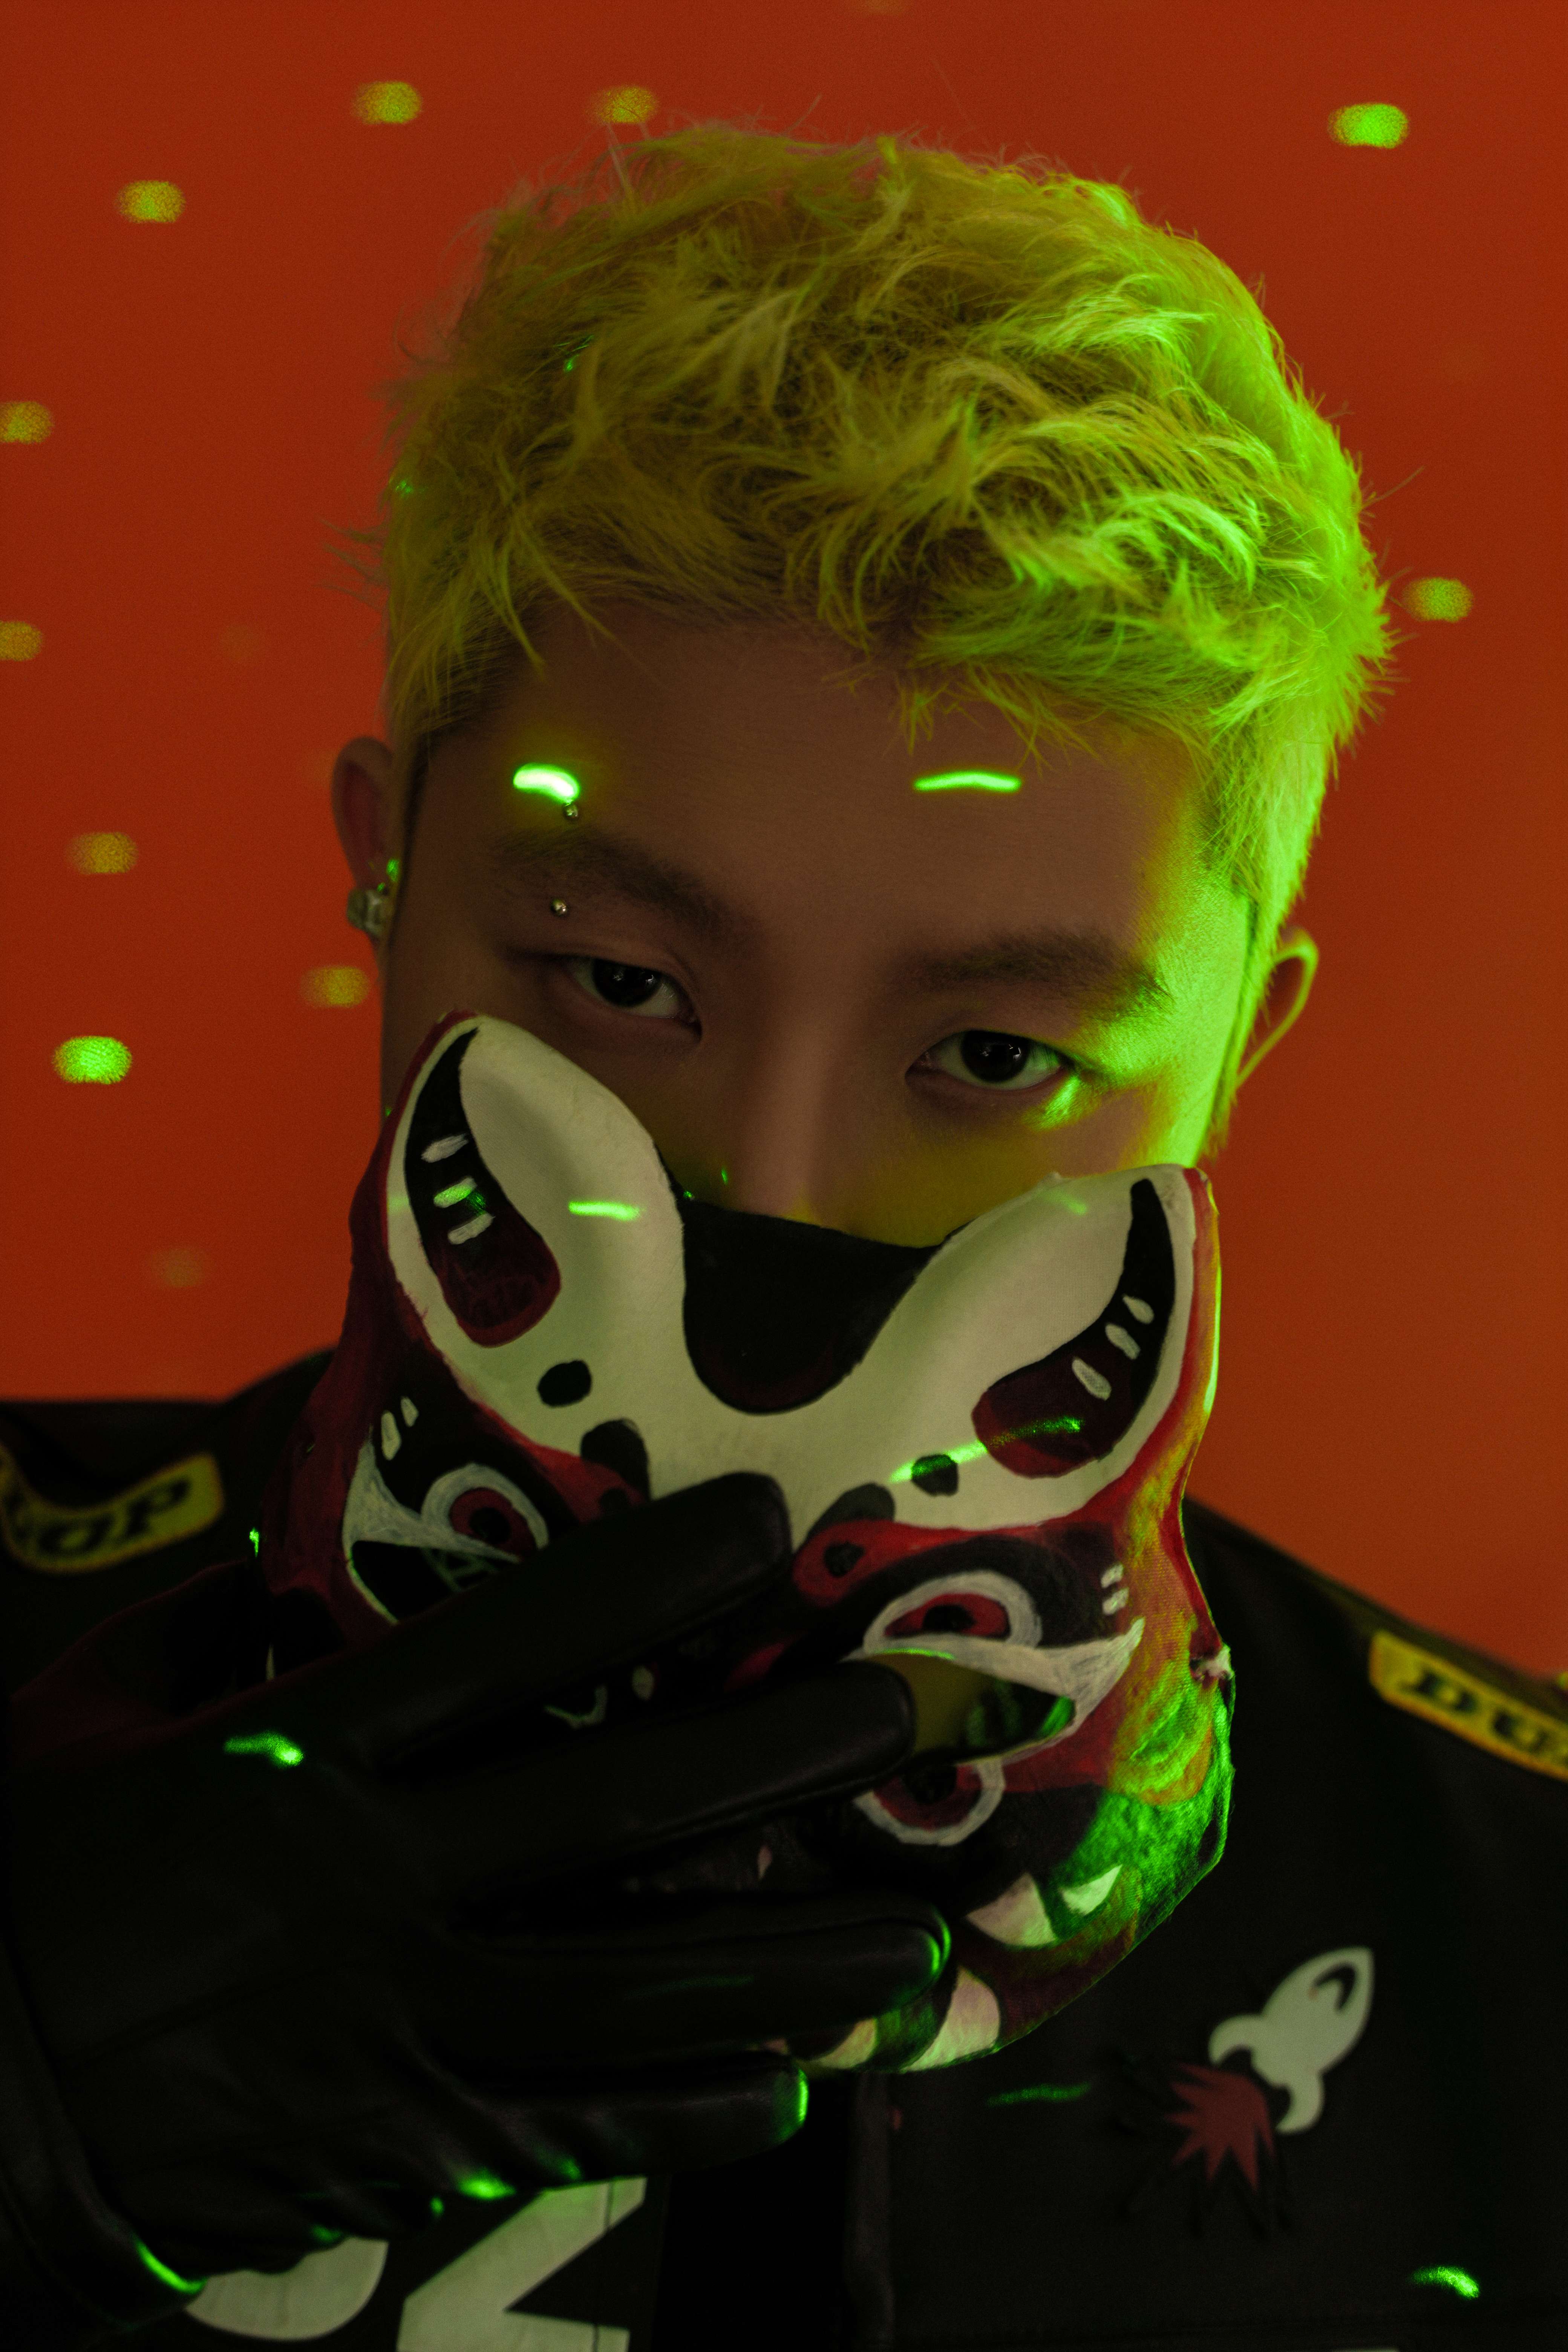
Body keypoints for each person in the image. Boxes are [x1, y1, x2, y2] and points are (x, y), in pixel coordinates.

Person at [1, 123, 1563, 2350]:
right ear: (387, 880)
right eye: (621, 983)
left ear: (1239, 1056)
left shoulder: (1520, 1930)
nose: (779, 1185)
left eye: (997, 1055)